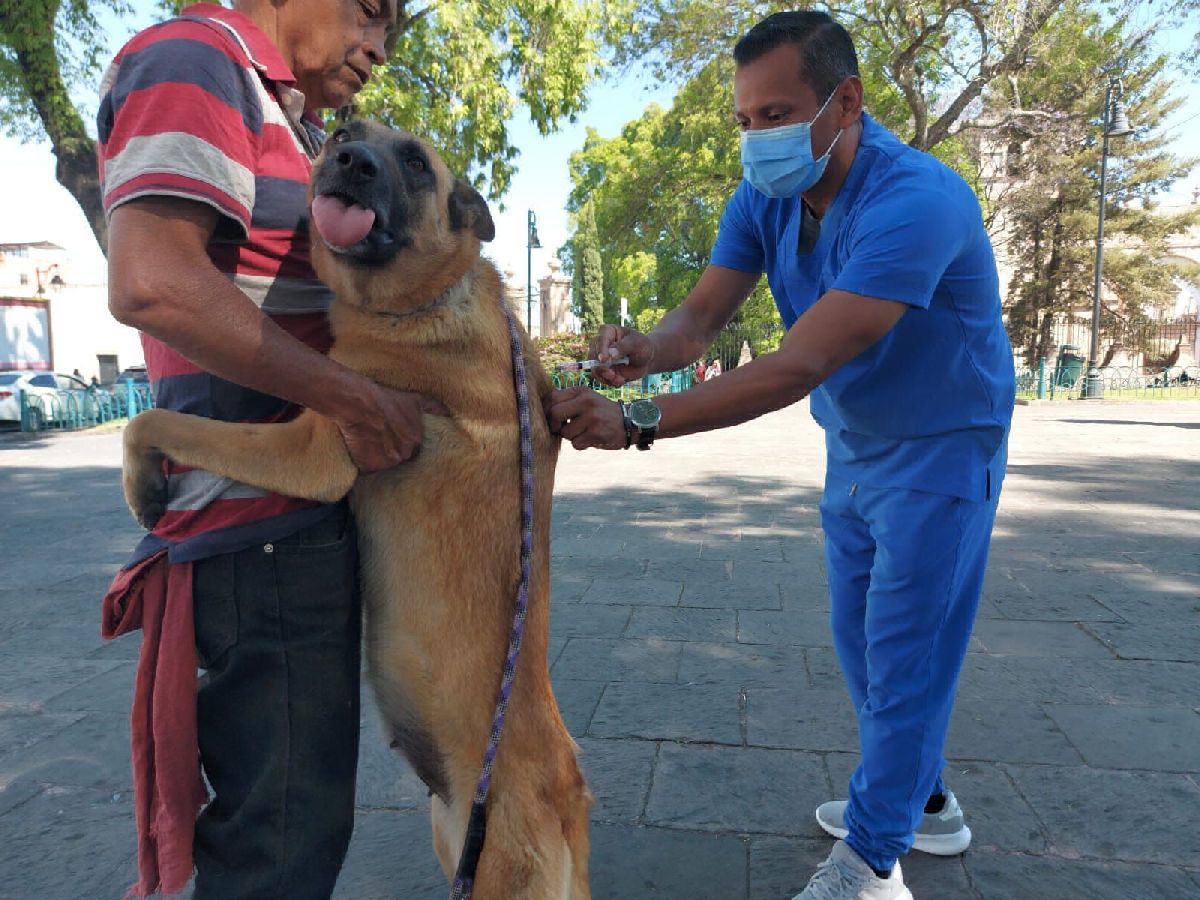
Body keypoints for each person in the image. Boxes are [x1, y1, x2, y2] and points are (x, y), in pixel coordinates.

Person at [547, 10, 1014, 900]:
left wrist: (638, 419)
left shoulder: (919, 199)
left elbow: (800, 362)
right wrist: (642, 350)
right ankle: (929, 801)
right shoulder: (764, 200)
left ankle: (872, 861)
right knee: (862, 646)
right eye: (745, 120)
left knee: (908, 649)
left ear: (846, 100)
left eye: (776, 114)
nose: (757, 137)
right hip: (857, 445)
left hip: (942, 450)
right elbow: (698, 322)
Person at [98, 1, 432, 897]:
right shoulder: (193, 59)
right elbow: (153, 281)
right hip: (261, 539)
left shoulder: (285, 114)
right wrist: (355, 400)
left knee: (290, 831)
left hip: (297, 525)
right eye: (370, 11)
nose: (379, 46)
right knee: (278, 852)